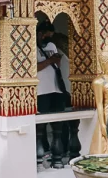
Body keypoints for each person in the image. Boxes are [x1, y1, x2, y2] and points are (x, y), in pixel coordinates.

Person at [36, 20, 67, 168]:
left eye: (51, 35)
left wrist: (56, 60)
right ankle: (43, 150)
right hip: (41, 90)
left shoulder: (52, 45)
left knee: (58, 122)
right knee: (41, 124)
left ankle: (59, 153)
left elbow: (57, 64)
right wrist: (49, 60)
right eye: (47, 35)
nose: (49, 37)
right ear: (40, 34)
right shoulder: (32, 47)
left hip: (56, 88)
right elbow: (34, 67)